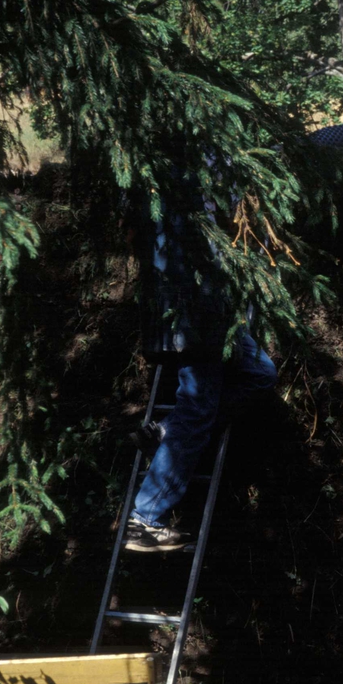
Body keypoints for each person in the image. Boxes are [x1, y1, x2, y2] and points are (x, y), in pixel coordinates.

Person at [124, 160, 277, 553]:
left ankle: (162, 432)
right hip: (197, 314)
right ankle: (144, 519)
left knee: (261, 372)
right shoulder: (190, 175)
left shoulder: (151, 178)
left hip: (202, 314)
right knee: (197, 409)